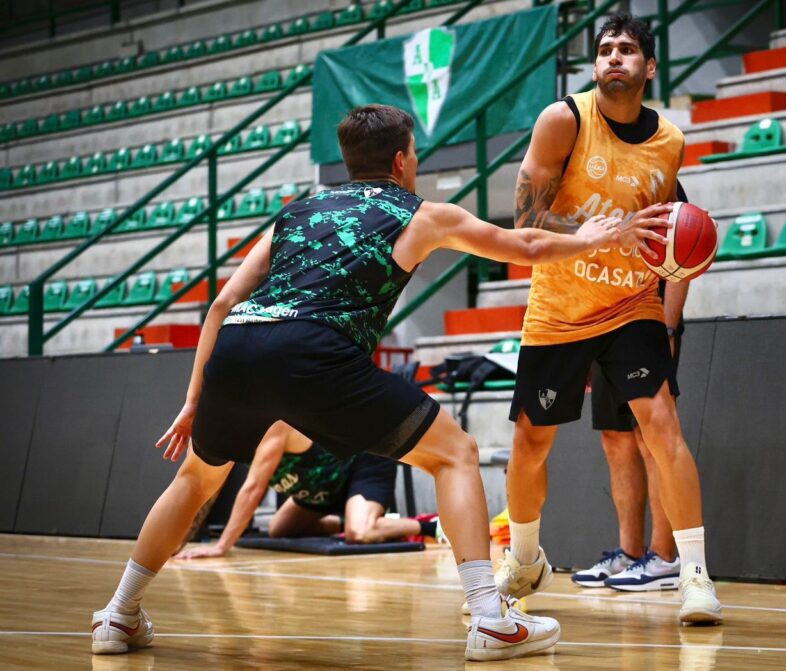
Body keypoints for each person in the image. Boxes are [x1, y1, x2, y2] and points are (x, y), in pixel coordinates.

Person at [90, 103, 664, 661]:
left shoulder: (297, 210)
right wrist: (595, 238)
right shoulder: (420, 213)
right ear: (400, 161)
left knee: (194, 481)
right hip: (315, 350)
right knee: (457, 455)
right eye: (414, 152)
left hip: (239, 347)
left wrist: (194, 400)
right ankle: (491, 619)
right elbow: (528, 245)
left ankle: (119, 612)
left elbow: (220, 303)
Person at [498, 13, 723, 624]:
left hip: (632, 306)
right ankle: (522, 558)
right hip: (560, 309)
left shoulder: (670, 142)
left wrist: (684, 262)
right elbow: (524, 224)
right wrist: (593, 234)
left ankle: (695, 578)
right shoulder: (564, 120)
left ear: (650, 67)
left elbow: (668, 232)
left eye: (627, 49)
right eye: (604, 49)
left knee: (662, 428)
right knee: (530, 442)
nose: (614, 57)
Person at [174, 421, 438, 561]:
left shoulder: (272, 424)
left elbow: (253, 489)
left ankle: (429, 526)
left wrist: (221, 546)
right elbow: (207, 487)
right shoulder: (231, 430)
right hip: (320, 487)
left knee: (360, 534)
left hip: (360, 462)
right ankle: (362, 517)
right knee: (280, 528)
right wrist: (179, 542)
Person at [573, 295, 687, 592]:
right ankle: (630, 553)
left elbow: (679, 264)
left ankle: (663, 557)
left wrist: (669, 328)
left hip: (647, 318)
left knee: (651, 439)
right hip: (603, 320)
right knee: (614, 435)